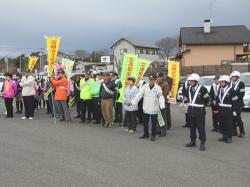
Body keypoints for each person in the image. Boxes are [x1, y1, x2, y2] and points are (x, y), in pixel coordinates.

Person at [130, 74, 165, 141]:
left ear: (155, 80)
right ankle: (145, 134)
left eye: (153, 80)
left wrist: (162, 104)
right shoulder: (145, 86)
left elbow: (161, 97)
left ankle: (153, 135)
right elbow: (139, 95)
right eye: (150, 80)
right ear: (149, 80)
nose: (151, 81)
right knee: (145, 123)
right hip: (146, 108)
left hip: (154, 108)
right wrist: (134, 102)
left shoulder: (158, 88)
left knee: (154, 123)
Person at [184, 73, 209, 151]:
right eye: (189, 81)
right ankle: (192, 141)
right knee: (192, 127)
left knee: (201, 127)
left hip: (199, 111)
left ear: (196, 81)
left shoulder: (203, 89)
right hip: (191, 110)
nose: (190, 82)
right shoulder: (188, 88)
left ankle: (202, 142)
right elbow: (187, 97)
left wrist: (201, 105)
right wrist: (185, 100)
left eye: (191, 81)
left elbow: (207, 99)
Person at [217, 75, 238, 143]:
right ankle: (224, 136)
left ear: (226, 82)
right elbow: (218, 98)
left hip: (228, 109)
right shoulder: (219, 89)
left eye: (222, 82)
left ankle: (229, 137)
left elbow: (235, 100)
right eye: (220, 82)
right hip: (221, 108)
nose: (221, 83)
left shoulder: (232, 90)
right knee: (222, 123)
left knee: (228, 123)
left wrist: (234, 110)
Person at [230, 71, 245, 138]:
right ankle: (234, 131)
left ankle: (242, 132)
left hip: (238, 103)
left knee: (238, 118)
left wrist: (233, 98)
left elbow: (241, 94)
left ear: (237, 77)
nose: (232, 78)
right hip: (231, 104)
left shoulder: (241, 84)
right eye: (232, 77)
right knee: (232, 117)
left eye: (234, 77)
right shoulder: (230, 84)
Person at [156, 72, 170, 137]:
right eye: (156, 77)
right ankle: (159, 130)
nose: (157, 78)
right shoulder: (157, 83)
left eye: (158, 77)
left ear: (162, 77)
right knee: (158, 117)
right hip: (156, 103)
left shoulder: (165, 84)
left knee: (162, 117)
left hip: (162, 103)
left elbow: (164, 95)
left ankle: (163, 131)